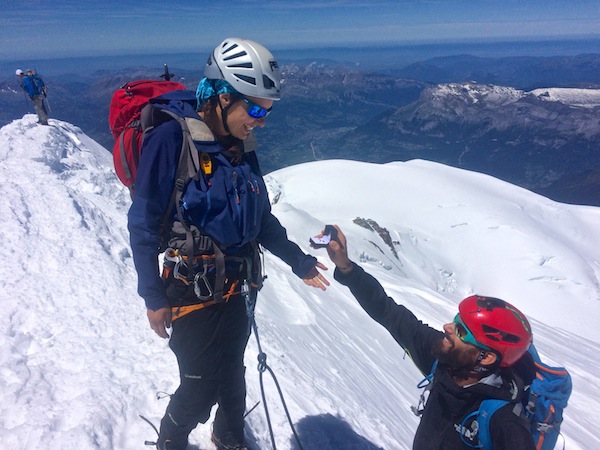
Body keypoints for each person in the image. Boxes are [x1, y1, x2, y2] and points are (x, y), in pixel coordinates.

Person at [127, 38, 329, 450]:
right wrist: (152, 295)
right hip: (190, 288)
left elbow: (260, 219)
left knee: (233, 370)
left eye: (266, 111)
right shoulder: (171, 141)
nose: (261, 121)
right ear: (221, 96)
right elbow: (143, 223)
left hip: (238, 286)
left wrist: (299, 261)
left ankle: (229, 431)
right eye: (254, 108)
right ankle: (171, 437)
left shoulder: (241, 147)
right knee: (200, 384)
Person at [321, 225, 536, 450]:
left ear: (487, 358)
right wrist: (346, 267)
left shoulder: (505, 425)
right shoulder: (445, 361)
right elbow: (388, 312)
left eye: (461, 331)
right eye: (455, 320)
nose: (447, 328)